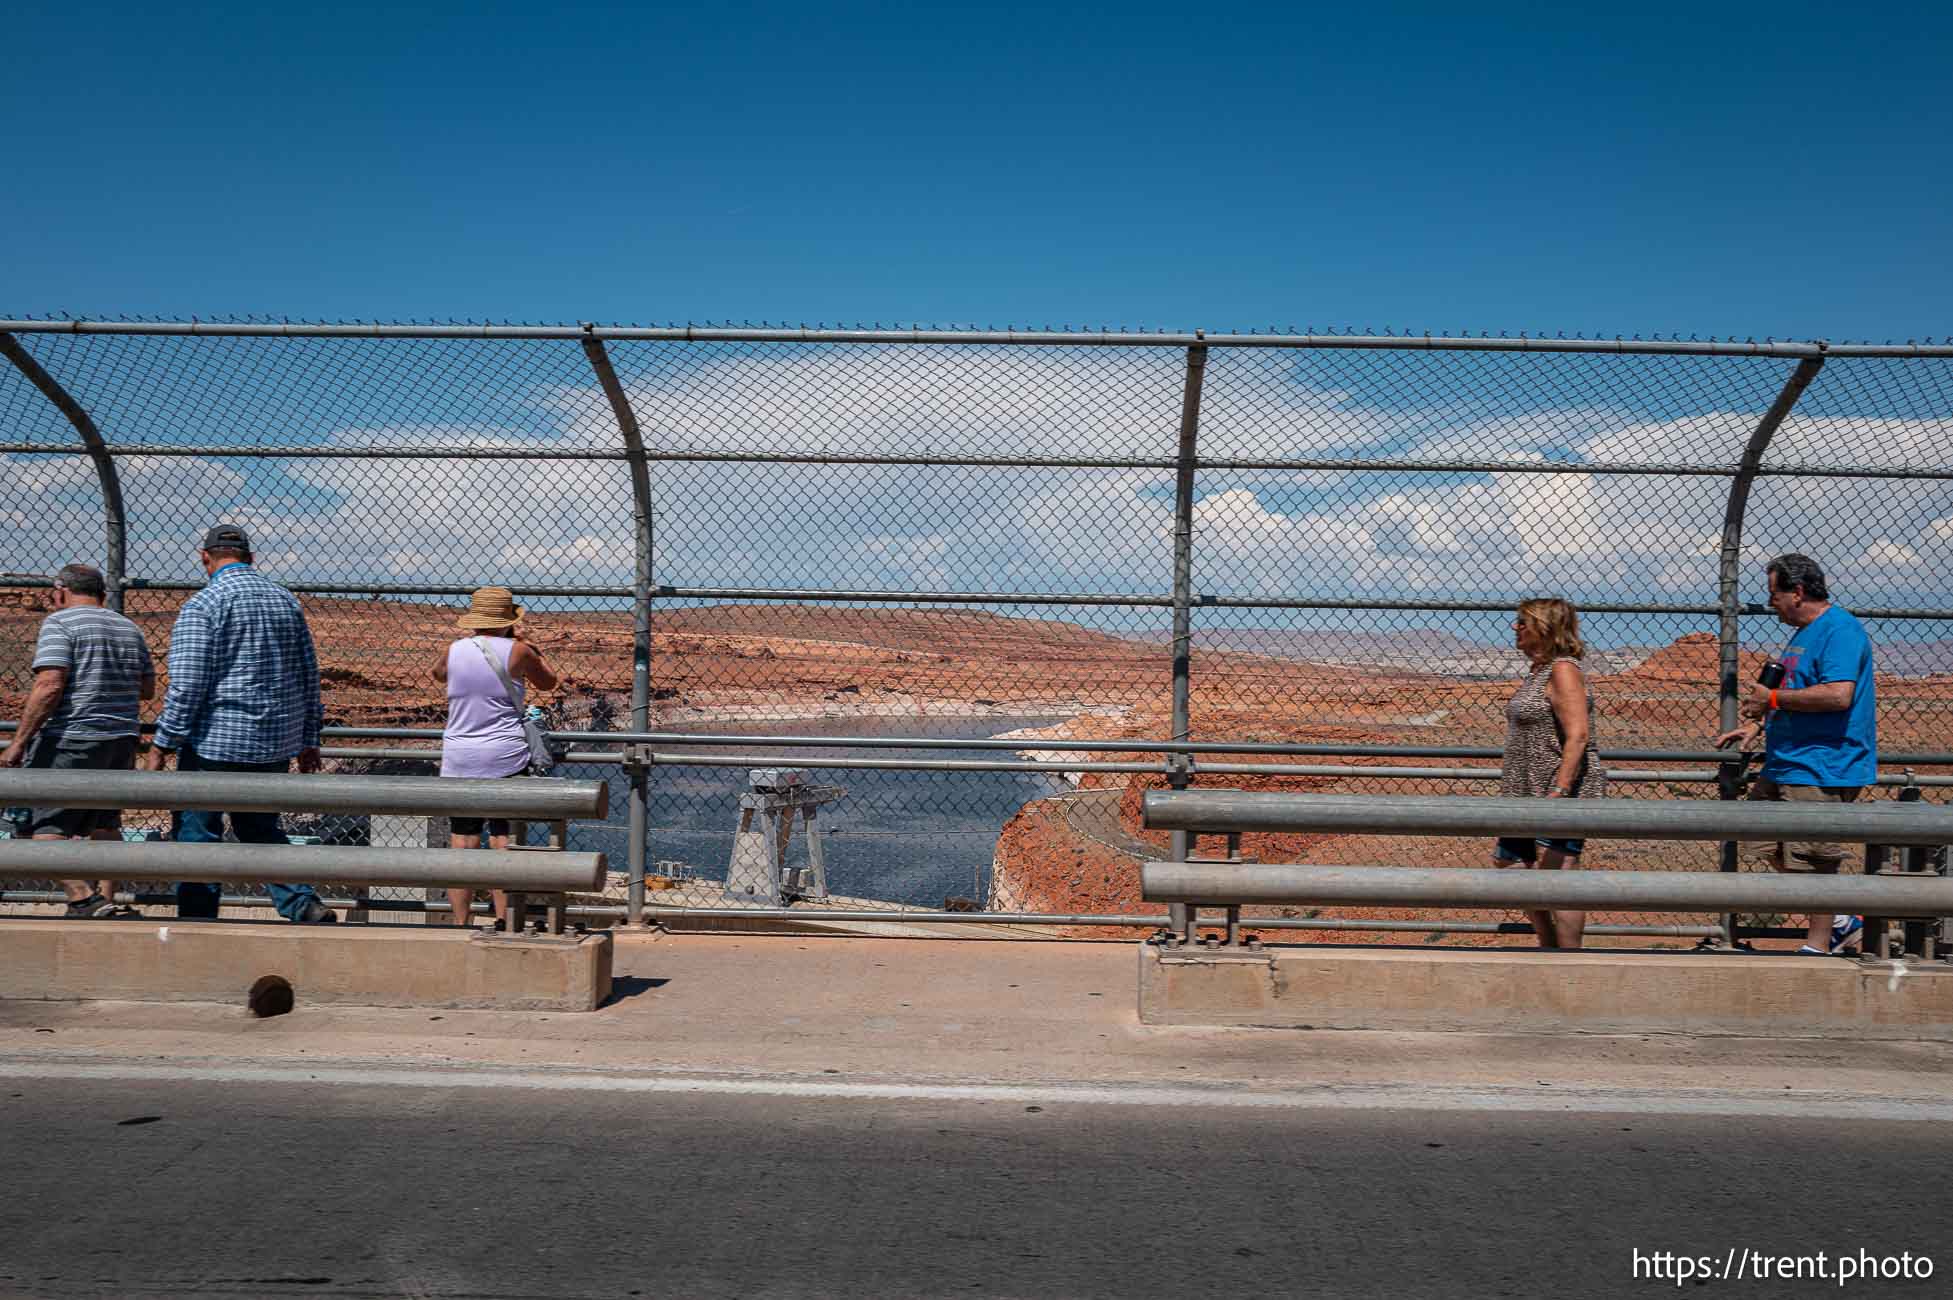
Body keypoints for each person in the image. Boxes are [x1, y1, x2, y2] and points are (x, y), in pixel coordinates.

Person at [138, 525, 336, 924]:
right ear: (250, 557)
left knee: (197, 836)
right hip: (274, 744)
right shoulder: (286, 602)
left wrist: (163, 743)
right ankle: (303, 905)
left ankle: (198, 924)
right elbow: (308, 674)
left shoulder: (204, 605)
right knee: (261, 830)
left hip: (214, 745)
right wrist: (309, 739)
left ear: (205, 558)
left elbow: (189, 683)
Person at [1715, 553, 1876, 955]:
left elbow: (1838, 695)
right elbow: (1795, 695)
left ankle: (1818, 948)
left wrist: (1771, 697)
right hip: (1787, 760)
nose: (1771, 603)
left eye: (1775, 594)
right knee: (1761, 840)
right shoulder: (1802, 634)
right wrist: (1756, 724)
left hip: (1823, 763)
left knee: (1816, 860)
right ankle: (1839, 921)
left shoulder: (1839, 630)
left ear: (1798, 592)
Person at [0, 564, 152, 918]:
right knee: (105, 824)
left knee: (40, 825)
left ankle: (83, 898)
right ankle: (107, 900)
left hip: (73, 736)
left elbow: (50, 684)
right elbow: (147, 688)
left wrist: (19, 742)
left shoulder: (60, 623)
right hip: (121, 739)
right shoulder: (129, 627)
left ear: (61, 591)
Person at [433, 586, 558, 929]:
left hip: (458, 756)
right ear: (508, 620)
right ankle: (505, 920)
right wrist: (531, 646)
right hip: (504, 756)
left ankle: (461, 922)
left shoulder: (454, 650)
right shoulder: (517, 651)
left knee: (463, 841)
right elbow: (548, 683)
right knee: (503, 839)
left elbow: (439, 674)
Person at [1494, 597, 1605, 949]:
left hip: (1556, 790)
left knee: (1559, 878)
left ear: (1543, 627)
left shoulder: (1563, 669)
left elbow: (1578, 733)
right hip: (1523, 790)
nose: (1516, 628)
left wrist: (1560, 788)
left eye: (1522, 622)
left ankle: (1568, 961)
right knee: (1510, 864)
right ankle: (1548, 946)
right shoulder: (1539, 671)